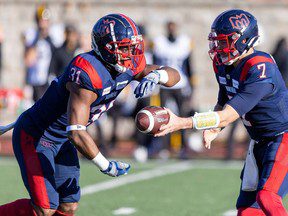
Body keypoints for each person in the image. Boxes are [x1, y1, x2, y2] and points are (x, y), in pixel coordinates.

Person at [0, 14, 180, 216]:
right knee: (45, 208)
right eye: (123, 47)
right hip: (38, 136)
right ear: (106, 48)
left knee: (68, 205)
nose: (130, 53)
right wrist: (106, 165)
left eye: (132, 46)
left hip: (61, 138)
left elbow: (176, 75)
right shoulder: (88, 72)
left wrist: (159, 75)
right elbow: (76, 132)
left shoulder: (129, 64)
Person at [155, 9, 288, 216]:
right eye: (217, 41)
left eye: (225, 42)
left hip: (282, 137)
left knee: (267, 197)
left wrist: (180, 122)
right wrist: (215, 127)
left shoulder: (261, 69)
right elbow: (224, 99)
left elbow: (228, 115)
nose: (219, 47)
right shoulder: (223, 63)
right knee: (247, 211)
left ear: (244, 40)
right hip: (259, 141)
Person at [153, 21, 195, 157]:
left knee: (182, 116)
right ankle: (164, 148)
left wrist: (192, 86)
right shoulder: (159, 43)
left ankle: (183, 148)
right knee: (162, 117)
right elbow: (154, 64)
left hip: (181, 84)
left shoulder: (184, 42)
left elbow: (189, 66)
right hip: (164, 84)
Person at [23, 5, 57, 102]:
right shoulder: (32, 35)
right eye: (41, 20)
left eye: (46, 20)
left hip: (49, 79)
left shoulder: (54, 34)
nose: (43, 23)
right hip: (35, 79)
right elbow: (29, 60)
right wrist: (38, 37)